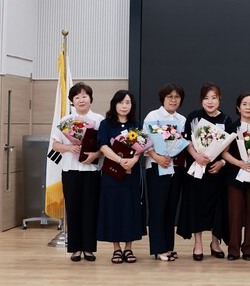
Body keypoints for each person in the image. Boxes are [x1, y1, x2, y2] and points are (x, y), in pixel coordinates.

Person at [50, 82, 104, 262]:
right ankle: (75, 249)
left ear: (90, 99)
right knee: (73, 209)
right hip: (70, 170)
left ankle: (89, 248)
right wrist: (69, 147)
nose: (81, 100)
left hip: (91, 170)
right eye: (77, 97)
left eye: (84, 96)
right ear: (72, 101)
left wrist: (95, 154)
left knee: (90, 208)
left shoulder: (99, 120)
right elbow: (55, 145)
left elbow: (105, 146)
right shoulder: (65, 120)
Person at [177, 83, 231, 261]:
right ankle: (198, 243)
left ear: (219, 99)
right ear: (201, 100)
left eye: (214, 98)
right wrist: (196, 156)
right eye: (206, 98)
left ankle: (215, 243)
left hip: (217, 172)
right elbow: (186, 141)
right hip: (197, 170)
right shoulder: (194, 117)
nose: (210, 102)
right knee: (196, 207)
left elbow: (228, 148)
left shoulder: (226, 120)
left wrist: (222, 162)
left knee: (218, 208)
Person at [97, 90, 144, 264]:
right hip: (112, 173)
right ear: (114, 104)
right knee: (114, 207)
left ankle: (129, 247)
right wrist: (119, 160)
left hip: (132, 173)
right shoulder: (106, 124)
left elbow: (141, 147)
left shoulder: (136, 125)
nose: (124, 106)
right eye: (121, 102)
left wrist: (133, 160)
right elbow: (103, 146)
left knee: (130, 207)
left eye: (128, 102)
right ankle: (116, 248)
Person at [144, 83, 186, 261]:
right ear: (163, 98)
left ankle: (168, 246)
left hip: (176, 168)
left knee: (171, 208)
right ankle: (158, 248)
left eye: (177, 97)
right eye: (170, 97)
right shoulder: (153, 116)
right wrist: (157, 157)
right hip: (156, 166)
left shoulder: (182, 119)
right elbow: (144, 141)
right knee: (157, 208)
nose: (173, 100)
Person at [222, 92, 250, 261]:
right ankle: (233, 250)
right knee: (235, 214)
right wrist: (239, 163)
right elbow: (224, 153)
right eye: (244, 104)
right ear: (238, 108)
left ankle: (249, 250)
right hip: (234, 176)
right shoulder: (231, 127)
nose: (248, 107)